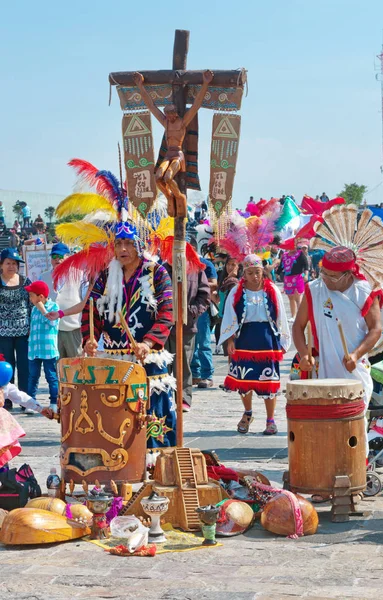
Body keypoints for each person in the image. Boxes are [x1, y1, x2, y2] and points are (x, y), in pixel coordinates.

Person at [82, 223, 176, 448]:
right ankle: (118, 462)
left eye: (129, 244)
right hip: (114, 357)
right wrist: (90, 338)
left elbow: (167, 312)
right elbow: (90, 310)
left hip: (147, 357)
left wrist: (147, 342)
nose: (123, 249)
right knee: (115, 412)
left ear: (139, 246)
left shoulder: (156, 273)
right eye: (119, 244)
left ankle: (157, 461)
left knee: (152, 411)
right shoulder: (106, 276)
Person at [292, 246, 383, 406]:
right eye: (323, 273)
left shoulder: (365, 291)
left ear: (348, 274)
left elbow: (376, 328)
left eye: (332, 276)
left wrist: (356, 354)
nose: (325, 279)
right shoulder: (314, 289)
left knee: (353, 424)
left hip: (353, 369)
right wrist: (303, 354)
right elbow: (298, 325)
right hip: (322, 369)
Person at [219, 254, 290, 435]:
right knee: (244, 380)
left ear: (262, 272)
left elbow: (281, 315)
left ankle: (270, 419)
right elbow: (229, 315)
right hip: (244, 339)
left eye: (257, 272)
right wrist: (230, 340)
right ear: (245, 273)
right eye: (250, 273)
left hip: (267, 339)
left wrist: (283, 339)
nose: (255, 277)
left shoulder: (272, 290)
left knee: (269, 381)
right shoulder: (237, 291)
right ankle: (248, 413)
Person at [133, 70, 213, 217]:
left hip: (178, 156)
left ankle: (179, 197)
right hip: (168, 155)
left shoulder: (182, 123)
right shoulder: (166, 123)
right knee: (158, 177)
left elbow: (196, 105)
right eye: (167, 116)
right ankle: (170, 197)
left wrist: (206, 83)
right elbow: (151, 106)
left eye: (171, 115)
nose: (169, 118)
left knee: (168, 177)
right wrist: (140, 86)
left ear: (175, 114)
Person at [165, 258, 210, 412]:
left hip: (187, 326)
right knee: (163, 364)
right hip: (163, 326)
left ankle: (183, 398)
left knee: (183, 364)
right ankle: (164, 398)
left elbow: (204, 295)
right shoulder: (160, 269)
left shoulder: (195, 270)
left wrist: (192, 312)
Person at [40, 243, 87, 358]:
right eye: (54, 256)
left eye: (61, 256)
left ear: (68, 257)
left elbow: (85, 302)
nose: (57, 259)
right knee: (57, 368)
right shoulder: (43, 277)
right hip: (51, 330)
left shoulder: (80, 275)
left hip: (73, 328)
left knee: (77, 367)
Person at [0, 248, 31, 410]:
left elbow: (32, 304)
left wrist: (34, 327)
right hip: (3, 332)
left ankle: (24, 400)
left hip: (24, 331)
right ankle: (7, 399)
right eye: (8, 263)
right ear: (1, 265)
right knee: (6, 366)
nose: (11, 266)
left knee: (24, 366)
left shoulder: (26, 282)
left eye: (14, 263)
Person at [25, 281, 60, 412]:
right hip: (34, 349)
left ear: (40, 297)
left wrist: (43, 310)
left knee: (51, 376)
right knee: (33, 376)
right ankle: (31, 402)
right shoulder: (33, 309)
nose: (30, 299)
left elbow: (53, 324)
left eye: (32, 296)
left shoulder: (54, 307)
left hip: (48, 350)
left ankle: (53, 403)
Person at [190, 244, 218, 389]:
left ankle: (207, 375)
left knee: (203, 342)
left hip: (201, 308)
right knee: (190, 343)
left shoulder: (206, 264)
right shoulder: (182, 263)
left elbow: (214, 283)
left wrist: (196, 285)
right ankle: (195, 373)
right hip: (186, 308)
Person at [215, 257, 242, 356]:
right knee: (229, 353)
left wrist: (230, 277)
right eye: (228, 264)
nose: (230, 267)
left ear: (239, 267)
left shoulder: (234, 281)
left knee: (233, 353)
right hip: (223, 318)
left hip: (232, 319)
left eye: (233, 265)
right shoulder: (225, 279)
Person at [281, 239, 309, 322]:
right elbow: (280, 267)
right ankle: (293, 316)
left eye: (294, 245)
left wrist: (306, 275)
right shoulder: (285, 255)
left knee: (298, 297)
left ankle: (301, 316)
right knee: (291, 298)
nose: (293, 247)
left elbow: (306, 265)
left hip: (298, 277)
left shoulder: (300, 254)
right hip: (287, 279)